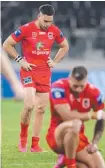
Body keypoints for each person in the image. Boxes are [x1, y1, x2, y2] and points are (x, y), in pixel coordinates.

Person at [3, 4, 69, 152]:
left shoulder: (54, 30)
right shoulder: (26, 28)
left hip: (45, 73)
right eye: (45, 21)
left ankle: (34, 145)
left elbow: (65, 46)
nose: (47, 24)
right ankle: (22, 139)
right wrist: (20, 60)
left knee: (41, 109)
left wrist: (55, 61)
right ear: (39, 16)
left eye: (50, 21)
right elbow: (7, 44)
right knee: (29, 105)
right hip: (28, 70)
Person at [46, 66, 105, 168]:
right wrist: (91, 115)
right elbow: (66, 116)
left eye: (81, 86)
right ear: (69, 79)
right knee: (75, 124)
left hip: (78, 137)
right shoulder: (58, 87)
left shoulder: (94, 92)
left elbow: (102, 117)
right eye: (75, 86)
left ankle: (66, 158)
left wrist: (94, 142)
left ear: (86, 81)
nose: (78, 89)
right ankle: (71, 164)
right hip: (56, 135)